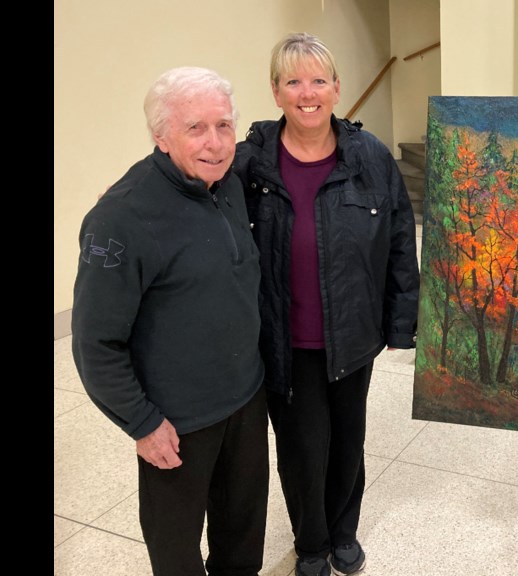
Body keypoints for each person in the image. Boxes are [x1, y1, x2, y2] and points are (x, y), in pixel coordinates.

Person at [233, 33, 420, 576]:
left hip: (353, 334)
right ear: (275, 92)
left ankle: (343, 532)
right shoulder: (252, 165)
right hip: (282, 338)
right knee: (298, 447)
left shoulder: (371, 158)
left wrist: (401, 323)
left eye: (318, 80)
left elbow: (401, 241)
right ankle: (311, 542)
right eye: (293, 81)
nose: (306, 92)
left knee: (347, 439)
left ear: (337, 89)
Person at [72, 67, 268, 576]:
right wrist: (141, 423)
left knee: (242, 536)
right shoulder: (122, 217)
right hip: (175, 422)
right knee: (177, 552)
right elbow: (95, 342)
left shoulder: (226, 181)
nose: (215, 143)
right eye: (195, 128)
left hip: (246, 398)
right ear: (160, 136)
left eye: (224, 125)